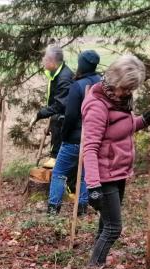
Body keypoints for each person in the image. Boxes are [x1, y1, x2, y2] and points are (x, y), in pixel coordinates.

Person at [80, 54, 150, 265]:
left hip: (117, 173)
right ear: (114, 80)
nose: (127, 93)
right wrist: (93, 185)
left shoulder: (118, 102)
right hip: (104, 176)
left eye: (131, 89)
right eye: (125, 88)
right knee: (114, 227)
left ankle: (96, 267)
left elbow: (120, 128)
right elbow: (90, 148)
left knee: (105, 225)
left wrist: (143, 121)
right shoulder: (98, 105)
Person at [46, 49, 102, 215]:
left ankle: (53, 209)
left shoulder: (78, 85)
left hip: (75, 138)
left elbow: (70, 115)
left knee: (59, 173)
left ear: (81, 65)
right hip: (95, 138)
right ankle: (82, 208)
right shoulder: (101, 82)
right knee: (85, 173)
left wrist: (64, 135)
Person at [35, 44, 73, 162]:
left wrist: (40, 114)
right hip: (58, 119)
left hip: (63, 122)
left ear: (52, 61)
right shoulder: (56, 74)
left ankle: (55, 160)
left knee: (58, 157)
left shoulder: (64, 78)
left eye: (45, 58)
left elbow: (59, 106)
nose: (43, 60)